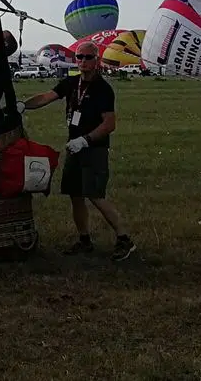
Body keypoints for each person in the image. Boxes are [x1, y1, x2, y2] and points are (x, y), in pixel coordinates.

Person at [21, 40, 136, 261]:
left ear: (97, 60)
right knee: (75, 195)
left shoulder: (103, 89)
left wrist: (85, 140)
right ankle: (84, 241)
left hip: (93, 149)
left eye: (88, 57)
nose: (83, 61)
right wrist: (23, 105)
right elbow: (47, 97)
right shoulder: (71, 83)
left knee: (94, 195)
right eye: (79, 57)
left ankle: (124, 239)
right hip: (74, 147)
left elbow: (109, 123)